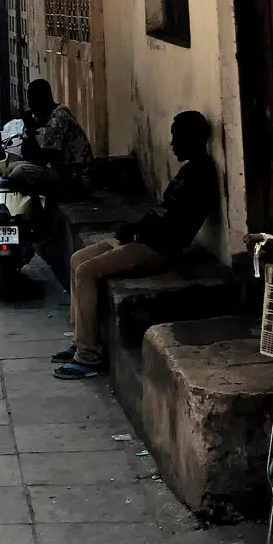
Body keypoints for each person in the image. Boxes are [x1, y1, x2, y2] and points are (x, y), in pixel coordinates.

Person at [54, 110, 218, 379]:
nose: (172, 144)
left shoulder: (201, 175)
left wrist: (139, 234)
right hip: (142, 238)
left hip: (157, 249)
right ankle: (79, 340)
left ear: (193, 138)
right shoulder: (188, 170)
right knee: (77, 259)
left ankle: (89, 355)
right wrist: (134, 231)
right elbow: (162, 213)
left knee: (87, 272)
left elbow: (177, 227)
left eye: (177, 137)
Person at [6, 78, 94, 203]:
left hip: (77, 179)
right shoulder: (56, 111)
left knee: (20, 172)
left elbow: (40, 158)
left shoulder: (56, 121)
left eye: (32, 101)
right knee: (12, 167)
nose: (30, 105)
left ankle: (34, 211)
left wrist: (30, 133)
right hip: (65, 171)